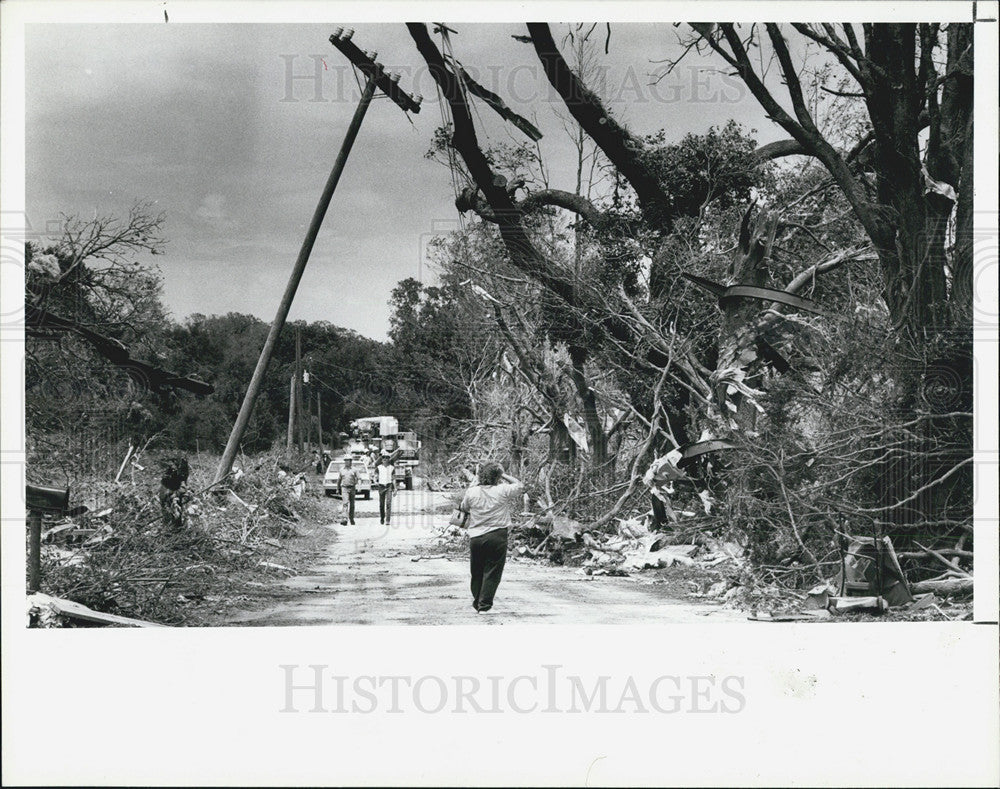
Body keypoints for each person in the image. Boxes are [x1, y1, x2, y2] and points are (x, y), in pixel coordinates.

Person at [458, 462, 523, 613]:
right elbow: (520, 485)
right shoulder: (503, 490)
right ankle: (485, 606)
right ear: (497, 477)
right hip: (497, 535)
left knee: (477, 571)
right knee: (492, 571)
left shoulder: (472, 492)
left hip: (476, 537)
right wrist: (503, 474)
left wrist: (473, 484)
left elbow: (463, 507)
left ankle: (478, 602)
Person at [642, 450, 685, 529]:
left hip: (663, 487)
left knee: (663, 505)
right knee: (659, 505)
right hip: (659, 489)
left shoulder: (665, 466)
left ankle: (664, 522)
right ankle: (662, 523)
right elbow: (650, 480)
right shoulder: (655, 472)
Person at [375, 451, 396, 526]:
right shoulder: (378, 468)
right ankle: (382, 517)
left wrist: (395, 488)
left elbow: (393, 479)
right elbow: (375, 476)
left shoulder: (392, 468)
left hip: (389, 486)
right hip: (381, 486)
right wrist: (375, 480)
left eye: (386, 457)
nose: (384, 459)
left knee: (388, 503)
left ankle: (387, 520)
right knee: (381, 504)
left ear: (388, 459)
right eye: (383, 457)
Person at [339, 456, 358, 525]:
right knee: (345, 503)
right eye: (345, 460)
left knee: (352, 505)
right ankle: (344, 519)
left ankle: (351, 518)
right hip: (344, 488)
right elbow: (339, 479)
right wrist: (337, 488)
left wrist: (359, 486)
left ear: (351, 461)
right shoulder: (341, 470)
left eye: (348, 460)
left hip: (352, 488)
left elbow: (359, 478)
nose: (347, 462)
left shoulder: (354, 470)